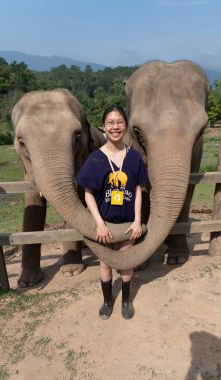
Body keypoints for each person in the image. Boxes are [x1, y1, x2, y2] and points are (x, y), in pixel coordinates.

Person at [75, 105, 148, 320]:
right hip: (105, 223)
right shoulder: (95, 158)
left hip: (127, 222)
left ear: (125, 126)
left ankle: (126, 302)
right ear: (104, 126)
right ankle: (107, 302)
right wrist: (98, 223)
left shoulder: (134, 158)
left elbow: (137, 190)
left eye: (119, 122)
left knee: (126, 264)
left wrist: (137, 221)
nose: (115, 127)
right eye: (110, 123)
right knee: (105, 264)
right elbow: (88, 194)